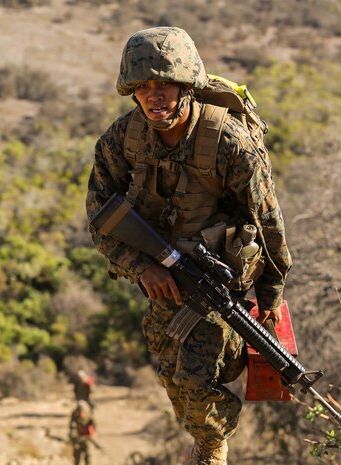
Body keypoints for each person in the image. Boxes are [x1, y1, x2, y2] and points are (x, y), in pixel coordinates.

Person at [86, 27, 292, 465]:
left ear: (186, 86)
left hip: (217, 280)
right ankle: (204, 438)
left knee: (197, 385)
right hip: (162, 283)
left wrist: (271, 295)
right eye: (143, 86)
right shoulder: (123, 139)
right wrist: (141, 268)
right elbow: (100, 215)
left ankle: (212, 451)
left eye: (164, 84)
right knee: (172, 378)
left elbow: (267, 221)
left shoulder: (228, 141)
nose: (153, 95)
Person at [68, 400, 96, 465]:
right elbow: (72, 428)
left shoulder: (89, 415)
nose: (81, 415)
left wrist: (90, 434)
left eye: (82, 413)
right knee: (77, 456)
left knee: (88, 455)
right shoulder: (74, 415)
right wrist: (75, 437)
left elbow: (93, 426)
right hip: (77, 437)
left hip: (87, 438)